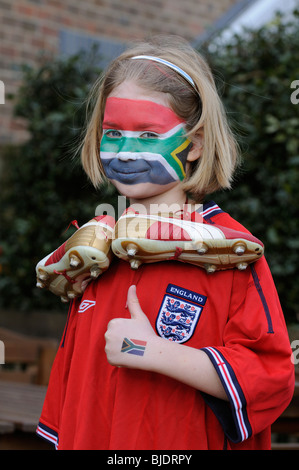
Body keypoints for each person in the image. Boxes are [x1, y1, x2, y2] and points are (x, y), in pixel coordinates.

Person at [36, 36, 294, 450]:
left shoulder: (232, 253)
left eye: (148, 134)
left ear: (195, 143)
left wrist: (151, 351)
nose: (124, 151)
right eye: (113, 132)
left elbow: (271, 376)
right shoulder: (92, 256)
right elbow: (71, 402)